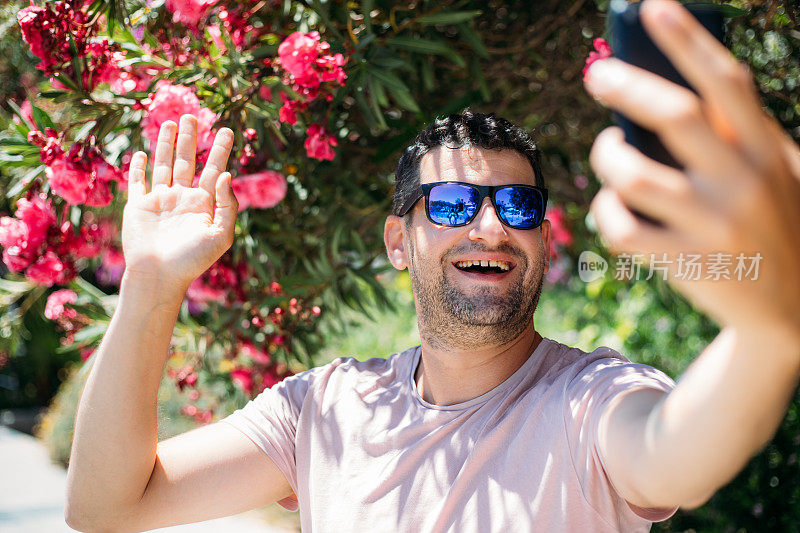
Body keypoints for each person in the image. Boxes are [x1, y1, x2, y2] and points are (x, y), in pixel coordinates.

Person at [65, 1, 800, 531]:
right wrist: (151, 285)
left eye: (517, 205)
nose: (490, 224)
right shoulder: (318, 411)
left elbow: (677, 449)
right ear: (397, 239)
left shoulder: (588, 401)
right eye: (451, 203)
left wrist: (772, 329)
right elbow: (106, 508)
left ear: (544, 241)